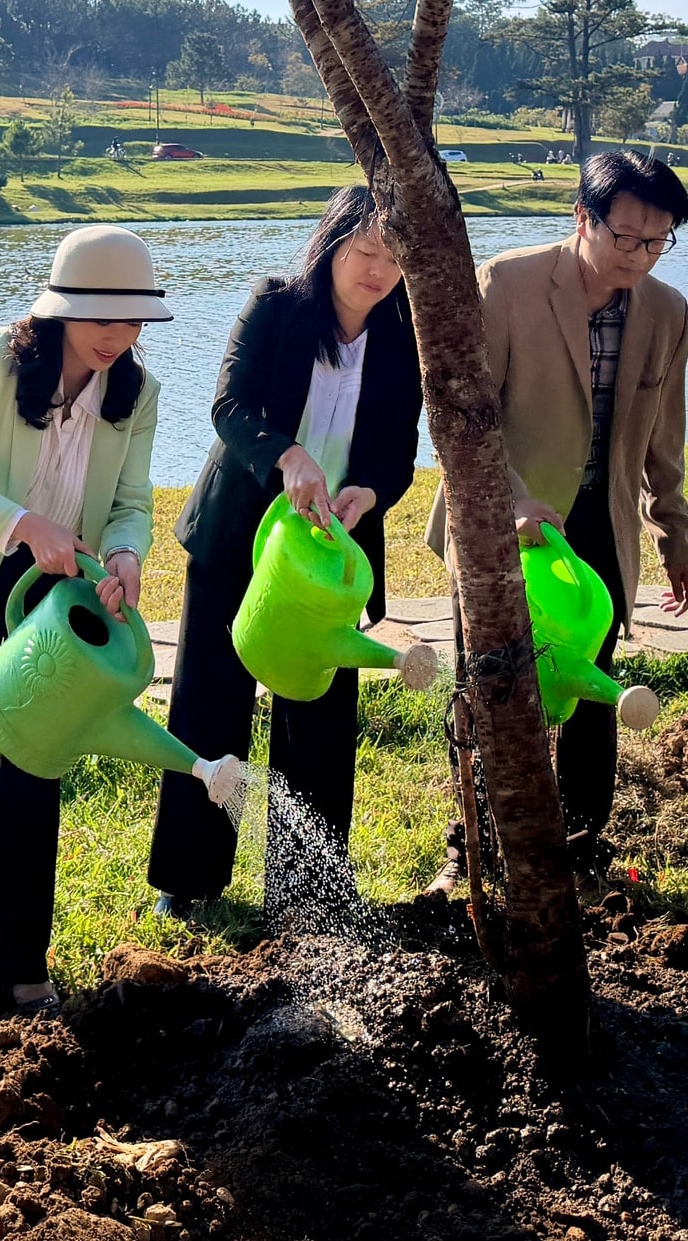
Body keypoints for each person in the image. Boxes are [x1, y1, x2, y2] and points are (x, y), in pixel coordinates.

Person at [0, 225, 171, 1017]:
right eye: (101, 318)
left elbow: (130, 503)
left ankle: (15, 959)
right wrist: (26, 525)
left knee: (35, 764)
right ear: (58, 310)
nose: (118, 336)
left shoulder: (137, 394)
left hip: (61, 595)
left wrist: (123, 556)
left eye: (133, 320)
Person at [146, 185, 423, 924]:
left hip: (329, 552)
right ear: (331, 244)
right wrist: (287, 456)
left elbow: (399, 450)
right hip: (241, 533)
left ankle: (308, 897)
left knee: (322, 711)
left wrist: (368, 491)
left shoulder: (402, 335)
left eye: (394, 257)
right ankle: (189, 876)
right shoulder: (274, 306)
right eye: (365, 252)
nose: (378, 270)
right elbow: (228, 407)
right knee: (211, 701)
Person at [424, 150, 688, 896]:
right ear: (582, 217)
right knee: (492, 684)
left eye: (657, 240)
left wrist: (674, 536)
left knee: (591, 683)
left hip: (599, 525)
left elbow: (663, 439)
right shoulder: (509, 285)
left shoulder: (666, 312)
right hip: (502, 522)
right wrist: (506, 499)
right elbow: (462, 415)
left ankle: (580, 847)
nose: (640, 256)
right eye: (627, 236)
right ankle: (471, 848)